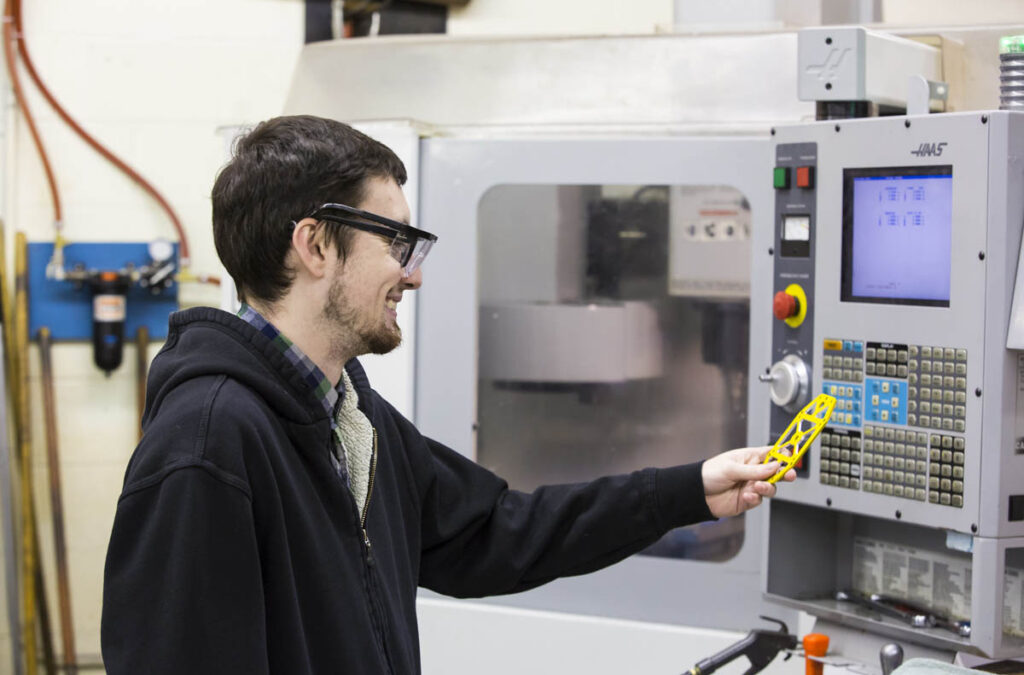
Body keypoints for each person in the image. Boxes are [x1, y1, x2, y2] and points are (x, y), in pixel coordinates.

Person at [100, 115, 793, 674]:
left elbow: (499, 532)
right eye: (396, 242)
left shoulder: (351, 418)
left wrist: (690, 490)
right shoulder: (208, 442)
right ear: (314, 246)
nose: (414, 274)